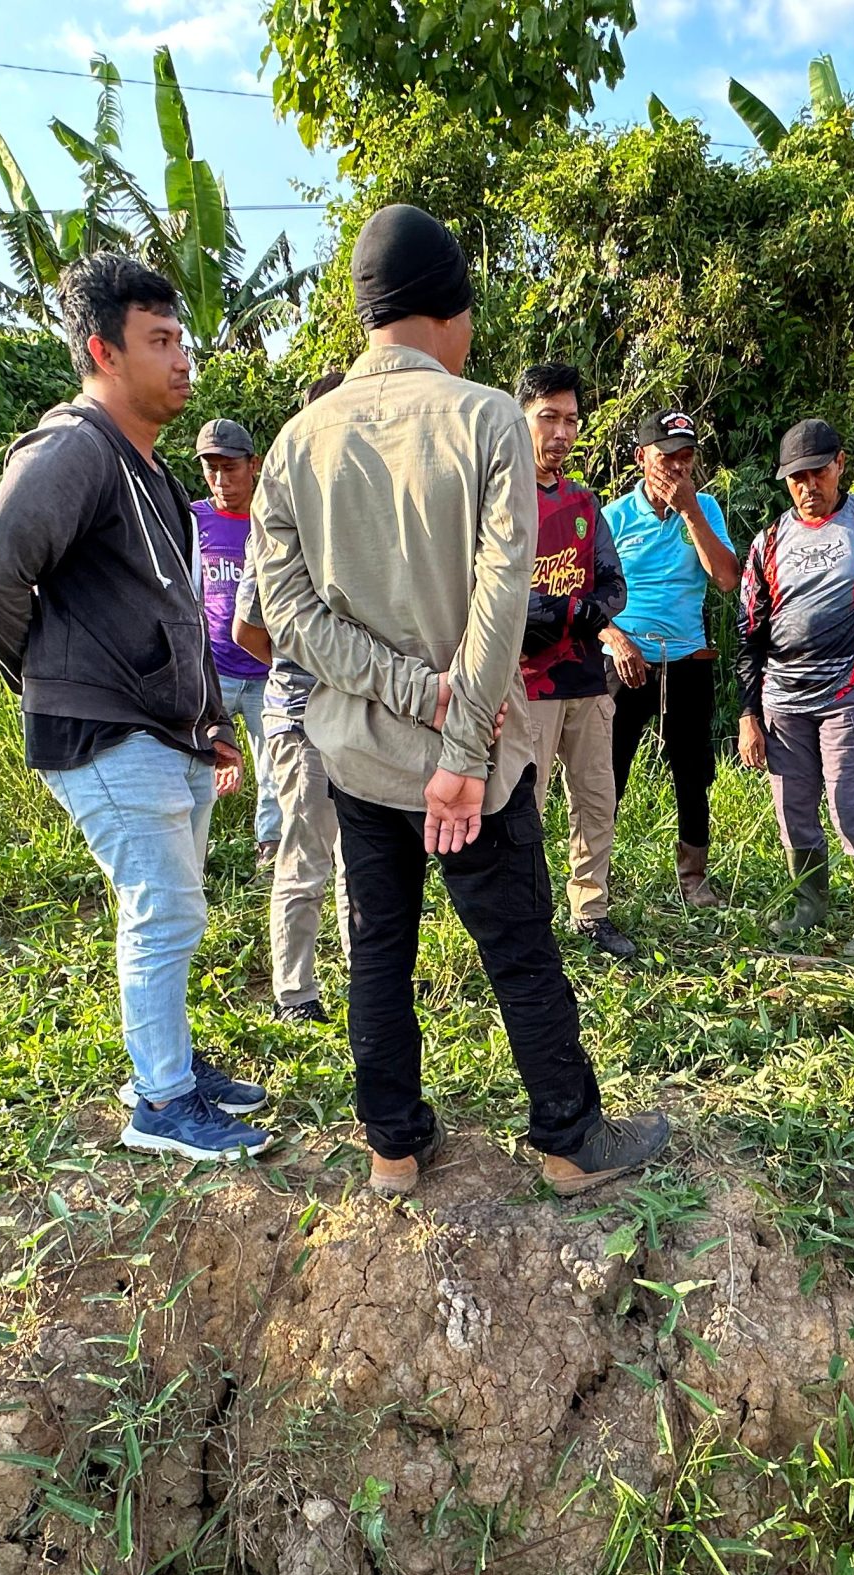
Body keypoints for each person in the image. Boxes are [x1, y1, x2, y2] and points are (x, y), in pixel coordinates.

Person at [250, 203, 669, 1198]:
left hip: (354, 757)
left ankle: (392, 1147)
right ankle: (567, 1139)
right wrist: (458, 746)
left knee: (379, 955)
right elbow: (501, 598)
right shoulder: (485, 417)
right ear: (452, 311)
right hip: (472, 765)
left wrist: (400, 691)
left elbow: (287, 617)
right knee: (521, 952)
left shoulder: (295, 441)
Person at [0, 256, 272, 1162]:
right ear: (102, 349)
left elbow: (175, 612)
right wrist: (50, 673)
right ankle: (162, 1102)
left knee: (176, 910)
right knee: (163, 909)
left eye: (182, 340)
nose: (182, 361)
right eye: (160, 342)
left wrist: (209, 717)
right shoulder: (73, 448)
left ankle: (167, 1063)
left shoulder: (152, 476)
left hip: (167, 730)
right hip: (106, 731)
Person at [735, 419, 854, 957]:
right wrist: (748, 713)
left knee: (848, 801)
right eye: (795, 478)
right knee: (792, 807)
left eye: (817, 473)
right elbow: (749, 630)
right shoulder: (769, 541)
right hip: (781, 698)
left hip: (846, 688)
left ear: (840, 464)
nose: (807, 487)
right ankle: (809, 904)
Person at [227, 371, 351, 1023]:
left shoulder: (363, 508)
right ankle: (295, 993)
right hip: (303, 719)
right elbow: (246, 628)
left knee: (360, 858)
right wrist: (307, 667)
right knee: (306, 856)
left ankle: (369, 979)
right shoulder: (280, 513)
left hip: (361, 718)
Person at [511, 363, 634, 960]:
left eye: (571, 420)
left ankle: (591, 910)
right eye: (548, 419)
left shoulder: (586, 503)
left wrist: (568, 612)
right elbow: (501, 597)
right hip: (526, 684)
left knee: (594, 799)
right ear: (522, 420)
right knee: (522, 807)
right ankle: (527, 917)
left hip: (587, 680)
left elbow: (614, 589)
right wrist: (575, 612)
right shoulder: (500, 500)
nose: (561, 433)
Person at [601, 408, 741, 907]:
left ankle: (693, 879)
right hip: (626, 659)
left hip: (687, 657)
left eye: (687, 458)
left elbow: (726, 579)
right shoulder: (613, 517)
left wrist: (691, 512)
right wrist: (616, 639)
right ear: (642, 458)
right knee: (609, 768)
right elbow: (586, 595)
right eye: (667, 457)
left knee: (693, 768)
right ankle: (595, 877)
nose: (678, 469)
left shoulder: (705, 509)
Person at [191, 417, 282, 864]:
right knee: (198, 763)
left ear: (254, 465)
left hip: (268, 669)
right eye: (211, 469)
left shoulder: (276, 518)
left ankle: (272, 847)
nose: (221, 480)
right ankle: (193, 854)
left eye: (230, 468)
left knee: (275, 767)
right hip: (214, 671)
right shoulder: (195, 521)